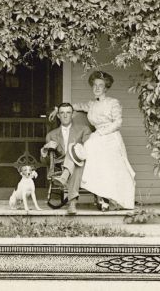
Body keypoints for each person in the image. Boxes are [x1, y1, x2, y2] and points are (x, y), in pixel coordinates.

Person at [71, 70, 136, 211]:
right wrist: (59, 108)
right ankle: (102, 198)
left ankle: (112, 200)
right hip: (97, 138)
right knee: (96, 166)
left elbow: (118, 122)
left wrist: (102, 132)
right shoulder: (91, 104)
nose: (97, 88)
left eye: (100, 85)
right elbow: (76, 106)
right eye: (94, 85)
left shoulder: (113, 102)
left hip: (110, 137)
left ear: (106, 88)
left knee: (111, 169)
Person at [40, 102, 92, 215]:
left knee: (74, 154)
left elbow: (89, 149)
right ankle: (72, 203)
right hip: (62, 164)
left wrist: (74, 150)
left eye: (68, 113)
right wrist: (44, 150)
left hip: (81, 160)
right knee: (74, 162)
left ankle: (69, 193)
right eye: (62, 113)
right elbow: (47, 162)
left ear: (72, 114)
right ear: (58, 115)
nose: (65, 115)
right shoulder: (51, 135)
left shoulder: (84, 129)